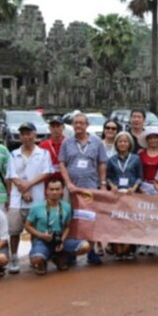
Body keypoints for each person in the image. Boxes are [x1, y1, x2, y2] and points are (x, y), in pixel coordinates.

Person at [59, 112, 108, 265]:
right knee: (71, 219)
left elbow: (102, 163)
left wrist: (103, 183)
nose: (78, 125)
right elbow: (62, 164)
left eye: (81, 123)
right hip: (72, 188)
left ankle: (91, 250)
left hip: (90, 187)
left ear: (87, 125)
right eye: (75, 123)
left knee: (90, 219)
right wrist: (68, 184)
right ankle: (72, 251)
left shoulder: (97, 142)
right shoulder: (66, 143)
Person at [5, 122, 52, 274]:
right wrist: (23, 189)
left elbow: (46, 173)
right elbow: (12, 175)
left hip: (37, 199)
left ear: (35, 134)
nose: (26, 137)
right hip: (17, 200)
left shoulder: (43, 153)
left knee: (36, 231)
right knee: (14, 231)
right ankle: (14, 258)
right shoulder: (13, 154)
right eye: (23, 134)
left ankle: (35, 256)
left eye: (29, 133)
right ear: (20, 136)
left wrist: (29, 185)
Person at [25, 177, 90, 275]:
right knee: (36, 259)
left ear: (62, 191)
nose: (54, 192)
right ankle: (43, 261)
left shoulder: (67, 206)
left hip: (60, 240)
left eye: (57, 189)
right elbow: (27, 226)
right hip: (42, 240)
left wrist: (62, 241)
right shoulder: (36, 207)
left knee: (85, 246)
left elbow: (67, 226)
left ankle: (58, 256)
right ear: (46, 191)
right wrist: (41, 235)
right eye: (51, 189)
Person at [106, 131, 143, 260]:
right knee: (117, 221)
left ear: (129, 144)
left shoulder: (135, 158)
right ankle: (117, 250)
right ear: (116, 144)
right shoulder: (111, 160)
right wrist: (112, 186)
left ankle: (131, 249)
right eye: (120, 141)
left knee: (131, 221)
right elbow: (108, 177)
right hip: (117, 196)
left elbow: (140, 177)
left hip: (131, 194)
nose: (122, 144)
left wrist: (134, 188)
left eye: (125, 141)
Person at [137, 126, 158, 195]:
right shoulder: (141, 154)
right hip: (144, 186)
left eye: (155, 138)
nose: (153, 140)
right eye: (150, 138)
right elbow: (138, 172)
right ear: (147, 140)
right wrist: (140, 188)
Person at [39, 116, 66, 182]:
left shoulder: (69, 143)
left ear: (63, 127)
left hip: (66, 180)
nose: (55, 129)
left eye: (58, 126)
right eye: (53, 126)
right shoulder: (43, 145)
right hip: (48, 181)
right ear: (49, 128)